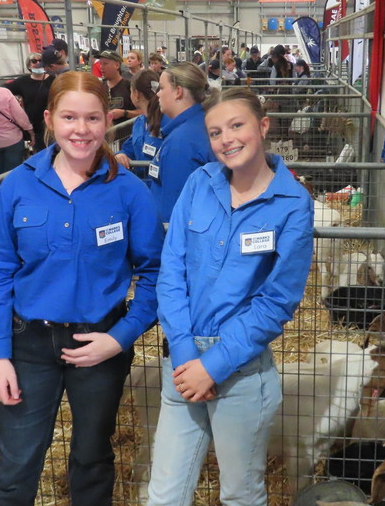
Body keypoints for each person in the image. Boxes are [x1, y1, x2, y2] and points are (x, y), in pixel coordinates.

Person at [0, 71, 163, 506]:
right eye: (69, 117)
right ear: (49, 119)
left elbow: (155, 275)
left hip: (98, 342)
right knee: (17, 463)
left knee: (92, 456)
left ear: (107, 121)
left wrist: (119, 339)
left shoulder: (129, 191)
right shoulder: (19, 185)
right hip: (29, 343)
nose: (81, 130)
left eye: (93, 118)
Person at [146, 87, 313, 506]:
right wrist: (185, 354)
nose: (227, 139)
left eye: (237, 125)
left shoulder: (292, 203)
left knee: (239, 494)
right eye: (216, 131)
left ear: (263, 126)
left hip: (239, 371)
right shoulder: (200, 185)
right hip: (182, 366)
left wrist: (214, 364)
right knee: (164, 494)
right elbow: (172, 272)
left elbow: (277, 301)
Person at [146, 62, 217, 223]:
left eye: (162, 88)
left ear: (178, 92)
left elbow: (175, 210)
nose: (158, 94)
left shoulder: (180, 143)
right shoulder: (201, 123)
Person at [115, 69, 165, 181]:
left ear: (136, 94)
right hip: (143, 184)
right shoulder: (139, 122)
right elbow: (130, 147)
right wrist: (121, 154)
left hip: (159, 185)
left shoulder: (166, 121)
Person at [5, 52, 54, 152]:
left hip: (51, 125)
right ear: (29, 65)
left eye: (40, 61)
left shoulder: (53, 80)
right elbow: (4, 90)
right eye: (34, 61)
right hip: (35, 127)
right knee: (40, 156)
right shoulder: (22, 82)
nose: (38, 63)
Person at [99, 50, 137, 125]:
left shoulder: (130, 86)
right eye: (100, 64)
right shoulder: (100, 87)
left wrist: (124, 113)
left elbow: (144, 111)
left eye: (105, 64)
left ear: (117, 65)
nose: (101, 67)